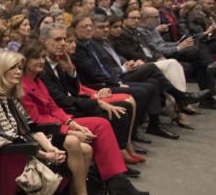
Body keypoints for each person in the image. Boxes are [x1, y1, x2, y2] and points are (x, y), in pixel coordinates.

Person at [17, 43, 151, 195]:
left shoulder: (37, 79)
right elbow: (37, 121)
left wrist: (72, 124)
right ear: (25, 60)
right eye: (36, 58)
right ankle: (118, 187)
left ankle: (117, 182)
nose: (41, 61)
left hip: (59, 121)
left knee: (101, 125)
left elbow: (53, 107)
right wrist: (68, 129)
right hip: (45, 132)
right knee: (97, 128)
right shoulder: (23, 85)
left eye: (42, 57)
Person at [39, 23, 143, 164]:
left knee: (124, 107)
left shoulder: (59, 60)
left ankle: (122, 151)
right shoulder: (41, 66)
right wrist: (96, 101)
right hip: (62, 112)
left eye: (64, 39)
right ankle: (115, 158)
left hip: (71, 104)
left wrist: (70, 70)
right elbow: (61, 99)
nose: (63, 43)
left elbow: (75, 91)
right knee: (110, 114)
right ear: (43, 42)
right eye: (58, 40)